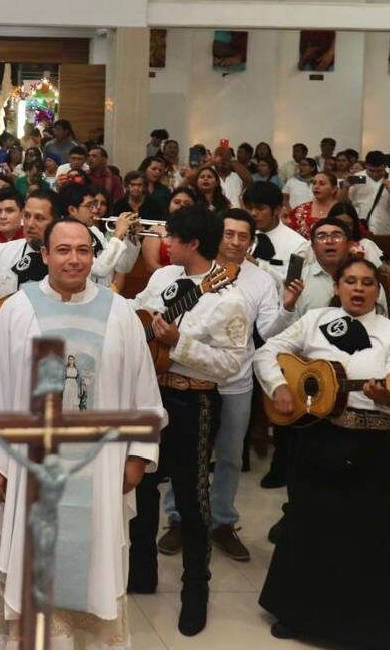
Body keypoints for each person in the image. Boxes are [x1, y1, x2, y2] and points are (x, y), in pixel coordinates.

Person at [0, 218, 164, 649]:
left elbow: (144, 390)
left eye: (83, 250)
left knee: (95, 568)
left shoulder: (120, 314)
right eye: (63, 250)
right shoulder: (17, 310)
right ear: (45, 256)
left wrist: (137, 456)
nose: (74, 259)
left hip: (103, 470)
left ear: (94, 256)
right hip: (29, 471)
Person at [254, 257, 390, 646]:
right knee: (309, 527)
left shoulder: (388, 331)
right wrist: (279, 386)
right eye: (350, 281)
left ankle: (359, 623)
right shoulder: (314, 320)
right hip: (319, 436)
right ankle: (297, 614)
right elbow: (268, 352)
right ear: (337, 286)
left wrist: (382, 398)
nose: (358, 289)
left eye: (367, 282)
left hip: (375, 445)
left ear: (378, 291)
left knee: (365, 535)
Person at [128, 205, 250, 636]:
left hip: (192, 403)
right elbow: (137, 316)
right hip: (149, 395)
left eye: (172, 239)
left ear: (193, 243)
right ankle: (140, 572)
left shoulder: (228, 298)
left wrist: (179, 344)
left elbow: (230, 365)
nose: (165, 245)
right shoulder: (163, 278)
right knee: (140, 486)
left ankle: (195, 591)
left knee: (191, 497)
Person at [157, 210, 297, 563]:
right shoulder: (191, 271)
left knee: (230, 455)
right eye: (228, 234)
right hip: (183, 378)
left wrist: (288, 309)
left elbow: (267, 330)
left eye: (242, 236)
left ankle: (221, 522)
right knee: (183, 453)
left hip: (233, 380)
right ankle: (178, 518)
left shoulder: (260, 280)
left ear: (251, 240)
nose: (235, 241)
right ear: (216, 237)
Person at [242, 181, 309, 287]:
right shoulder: (239, 237)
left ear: (277, 210)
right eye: (249, 208)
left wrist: (257, 265)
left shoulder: (298, 244)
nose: (253, 213)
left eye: (260, 208)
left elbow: (291, 286)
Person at [285, 171, 340, 238]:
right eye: (314, 183)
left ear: (334, 189)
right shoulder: (300, 210)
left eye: (322, 184)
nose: (316, 187)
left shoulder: (343, 210)